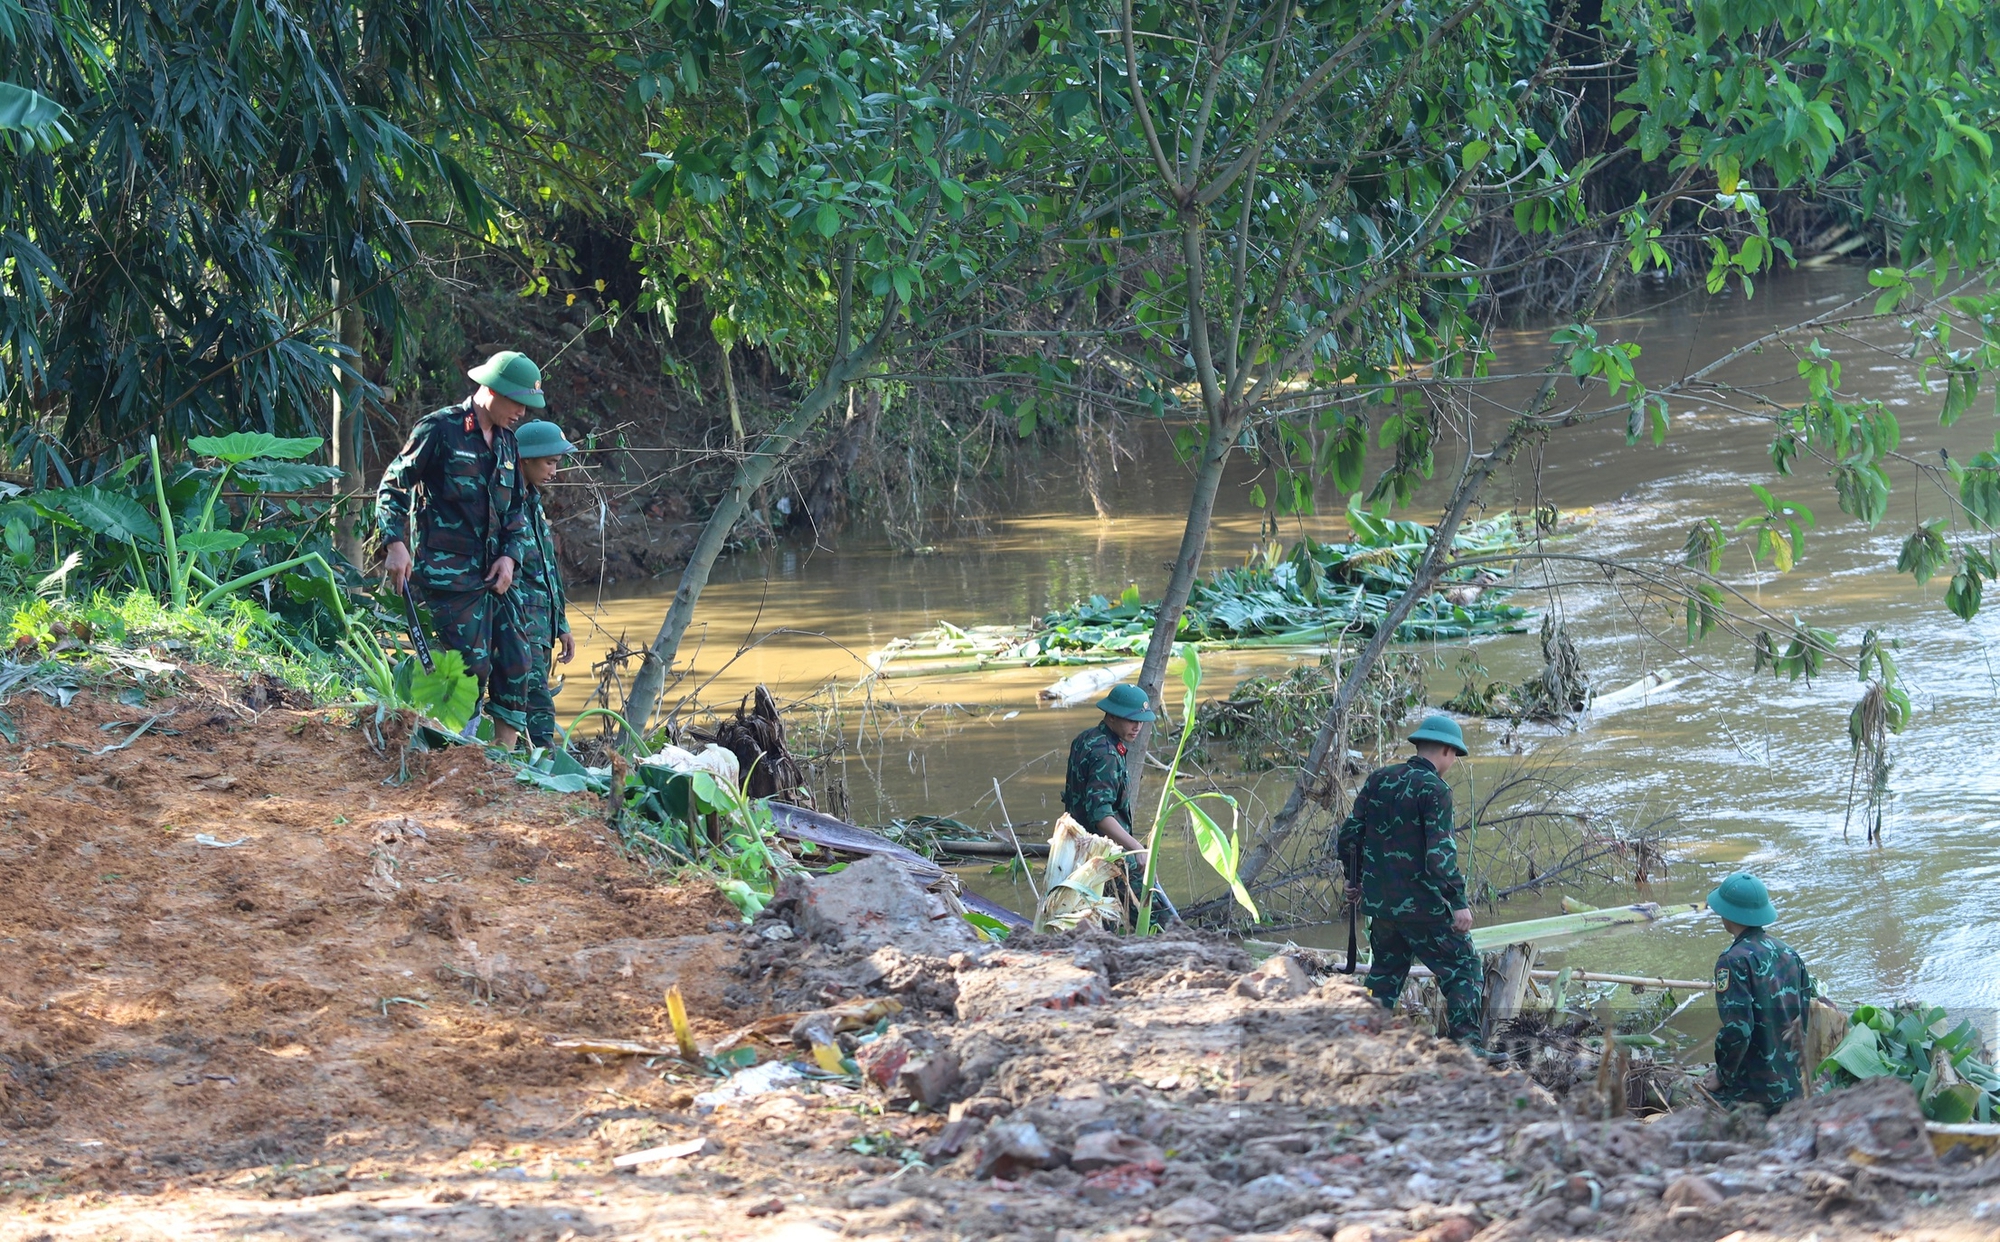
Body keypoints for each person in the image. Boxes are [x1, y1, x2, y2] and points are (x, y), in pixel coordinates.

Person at [376, 350, 542, 745]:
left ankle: (501, 760)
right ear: (492, 390)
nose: (521, 412)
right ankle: (453, 751)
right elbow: (393, 486)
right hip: (449, 578)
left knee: (517, 661)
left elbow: (518, 510)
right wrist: (395, 543)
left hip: (495, 577)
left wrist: (509, 556)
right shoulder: (440, 429)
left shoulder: (507, 443)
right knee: (470, 670)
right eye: (517, 402)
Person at [1337, 713, 1484, 1044]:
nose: (1452, 763)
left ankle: (1363, 1040)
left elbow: (1349, 836)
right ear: (1447, 751)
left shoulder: (1378, 780)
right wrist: (1458, 903)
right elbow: (1439, 857)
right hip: (1425, 909)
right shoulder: (1436, 790)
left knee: (1385, 976)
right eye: (1454, 757)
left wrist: (1354, 879)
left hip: (1383, 908)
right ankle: (1469, 1049)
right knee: (1464, 970)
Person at [1701, 872, 1816, 1112]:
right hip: (1792, 1087)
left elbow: (1738, 1029)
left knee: (1700, 1107)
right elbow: (1804, 1017)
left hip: (1753, 1093)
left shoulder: (1732, 961)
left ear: (1726, 914)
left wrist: (1722, 1075)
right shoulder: (1790, 954)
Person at [495, 419, 577, 749]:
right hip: (516, 625)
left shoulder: (533, 503)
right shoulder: (502, 504)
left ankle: (526, 765)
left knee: (534, 702)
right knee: (536, 707)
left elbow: (547, 571)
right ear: (524, 460)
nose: (555, 471)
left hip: (540, 627)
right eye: (549, 463)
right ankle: (542, 771)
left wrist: (562, 624)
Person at [1062, 684, 1152, 859]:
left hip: (1077, 849)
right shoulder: (1107, 754)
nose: (1137, 727)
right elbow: (1100, 815)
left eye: (1141, 721)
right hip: (1103, 856)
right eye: (1131, 720)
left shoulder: (1086, 738)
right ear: (1111, 716)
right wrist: (1137, 848)